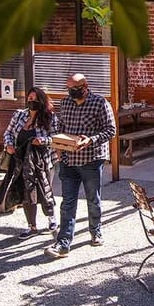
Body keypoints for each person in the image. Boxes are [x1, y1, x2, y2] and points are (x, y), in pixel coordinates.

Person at [46, 73, 117, 258]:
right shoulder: (66, 103)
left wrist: (91, 140)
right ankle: (63, 243)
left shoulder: (100, 103)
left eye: (75, 89)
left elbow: (111, 130)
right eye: (69, 89)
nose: (72, 93)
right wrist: (59, 146)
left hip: (91, 159)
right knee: (68, 202)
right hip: (69, 160)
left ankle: (95, 231)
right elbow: (60, 127)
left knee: (93, 199)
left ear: (85, 86)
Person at [3, 87, 59, 240]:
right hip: (22, 161)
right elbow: (8, 132)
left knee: (44, 190)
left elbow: (55, 138)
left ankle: (52, 220)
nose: (31, 101)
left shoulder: (50, 118)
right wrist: (8, 145)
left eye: (34, 99)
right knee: (27, 193)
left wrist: (43, 141)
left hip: (43, 161)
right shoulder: (19, 115)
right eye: (29, 98)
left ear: (41, 100)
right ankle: (31, 226)